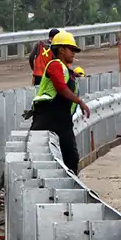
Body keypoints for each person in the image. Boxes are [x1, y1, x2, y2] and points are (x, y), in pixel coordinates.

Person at [28, 30, 89, 173]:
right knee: (30, 151)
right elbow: (60, 88)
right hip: (47, 115)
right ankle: (1, 182)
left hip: (62, 118)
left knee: (71, 157)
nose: (73, 53)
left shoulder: (68, 71)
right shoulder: (55, 65)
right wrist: (80, 102)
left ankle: (72, 188)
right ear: (61, 49)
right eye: (71, 49)